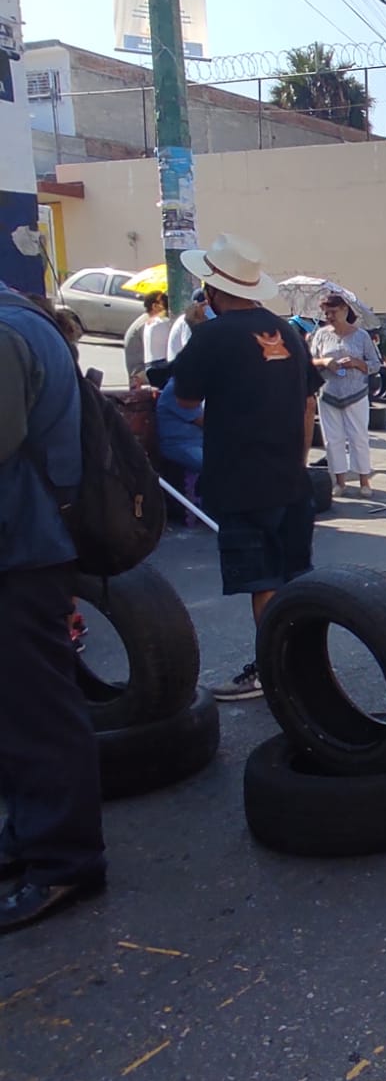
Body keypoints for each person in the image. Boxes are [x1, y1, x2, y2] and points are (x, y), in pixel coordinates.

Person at [171, 233, 323, 702]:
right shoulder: (291, 334)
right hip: (291, 476)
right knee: (293, 576)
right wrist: (297, 461)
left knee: (263, 581)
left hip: (241, 477)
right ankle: (302, 665)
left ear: (213, 290)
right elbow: (308, 404)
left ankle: (274, 672)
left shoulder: (212, 335)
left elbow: (184, 398)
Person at [0, 284, 107, 933]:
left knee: (35, 711)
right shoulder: (26, 321)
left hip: (21, 549)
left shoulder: (8, 333)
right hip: (27, 543)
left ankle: (64, 860)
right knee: (17, 712)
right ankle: (29, 835)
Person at [307, 292, 382, 499]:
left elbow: (375, 364)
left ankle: (364, 481)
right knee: (332, 439)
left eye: (333, 312)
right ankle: (339, 481)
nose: (329, 316)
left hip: (355, 393)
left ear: (344, 310)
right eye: (326, 313)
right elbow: (309, 361)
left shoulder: (361, 336)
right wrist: (324, 363)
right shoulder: (321, 335)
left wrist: (356, 363)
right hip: (329, 393)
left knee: (359, 437)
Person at [124, 291, 167, 388]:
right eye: (164, 302)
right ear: (155, 306)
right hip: (140, 372)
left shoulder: (147, 320)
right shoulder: (149, 324)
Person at [165, 288, 211, 362]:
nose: (208, 308)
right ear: (196, 306)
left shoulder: (202, 320)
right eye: (204, 305)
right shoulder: (187, 321)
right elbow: (190, 347)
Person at [141, 291, 175, 388]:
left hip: (150, 365)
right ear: (154, 306)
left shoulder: (148, 323)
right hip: (161, 365)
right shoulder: (161, 322)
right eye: (163, 301)